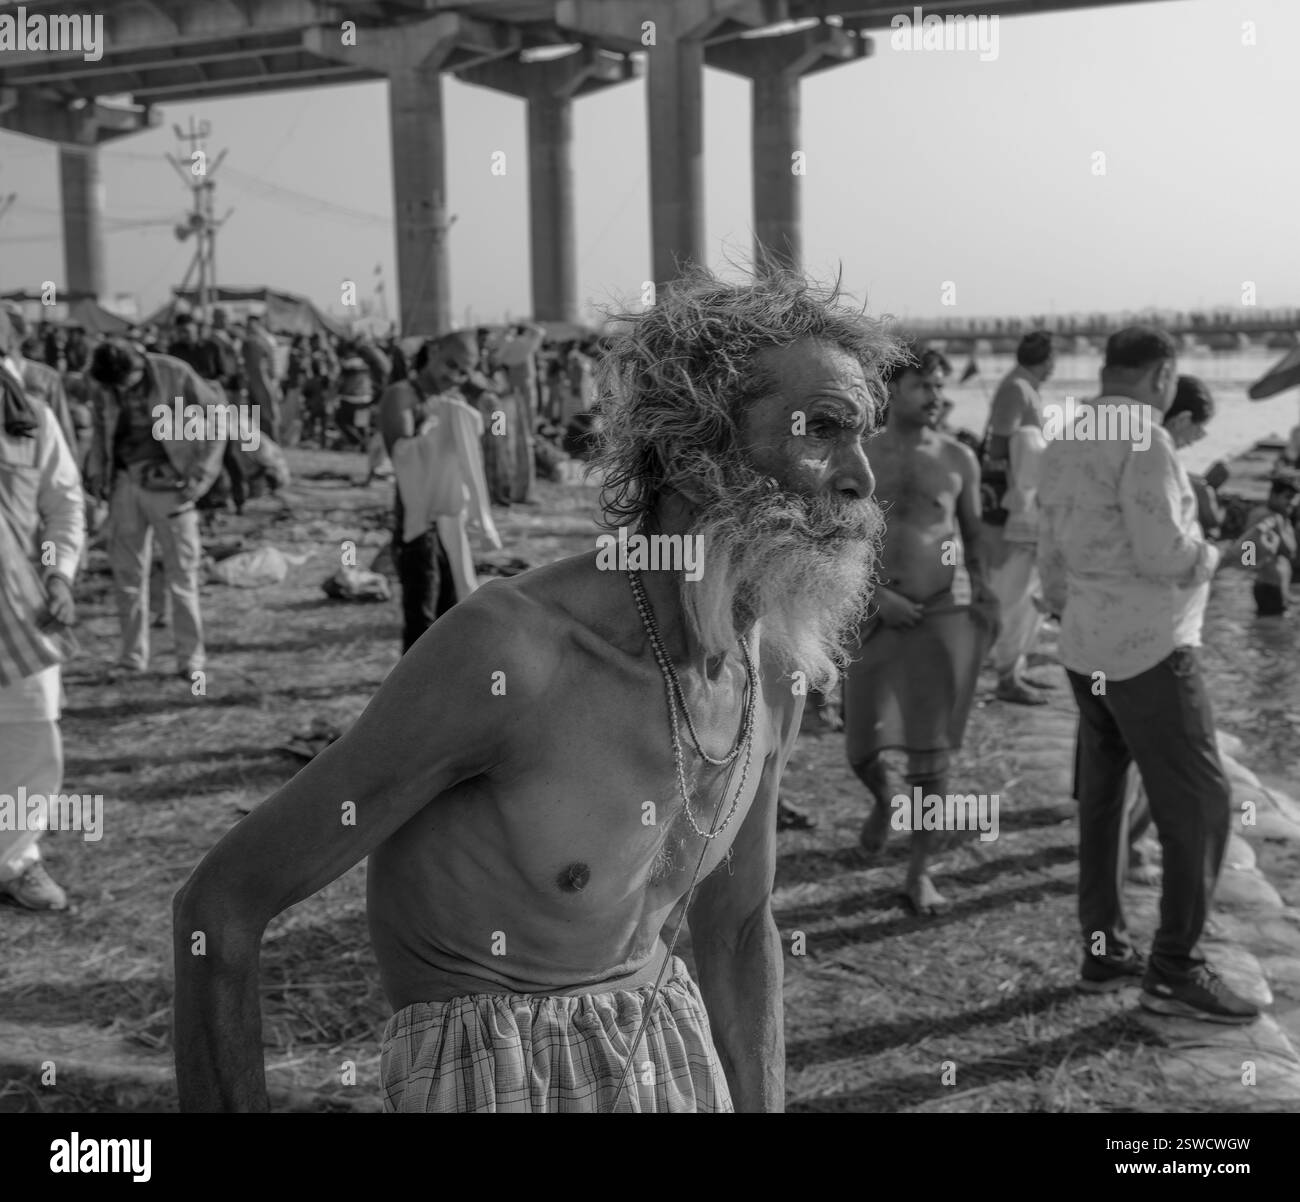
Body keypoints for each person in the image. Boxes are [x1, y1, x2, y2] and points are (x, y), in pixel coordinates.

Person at [173, 265, 901, 1113]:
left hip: (673, 1060)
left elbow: (737, 927)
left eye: (865, 437)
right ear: (695, 454)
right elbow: (218, 906)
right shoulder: (516, 654)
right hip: (496, 1078)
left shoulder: (772, 669)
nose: (862, 479)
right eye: (826, 431)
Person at [1038, 327, 1258, 1023]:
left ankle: (1103, 951)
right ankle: (1174, 967)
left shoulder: (1068, 432)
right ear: (1163, 374)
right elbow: (1166, 552)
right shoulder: (1145, 438)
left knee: (1103, 805)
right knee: (1202, 803)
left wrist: (1069, 611)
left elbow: (1047, 549)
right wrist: (1219, 554)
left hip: (1084, 649)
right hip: (1151, 653)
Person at [846, 344, 1000, 915]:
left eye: (939, 386)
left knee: (930, 755)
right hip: (869, 613)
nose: (937, 396)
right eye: (923, 386)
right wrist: (876, 596)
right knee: (861, 747)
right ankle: (885, 800)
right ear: (890, 392)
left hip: (936, 614)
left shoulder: (960, 458)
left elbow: (973, 531)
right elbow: (835, 535)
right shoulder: (860, 456)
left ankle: (919, 872)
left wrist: (983, 589)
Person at [0, 315, 85, 911]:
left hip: (19, 613)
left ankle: (17, 859)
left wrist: (57, 574)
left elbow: (62, 506)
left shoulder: (28, 420)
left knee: (31, 740)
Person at [85, 339, 224, 678]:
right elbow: (101, 432)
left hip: (170, 488)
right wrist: (95, 477)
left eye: (123, 383)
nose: (119, 390)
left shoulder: (174, 373)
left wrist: (200, 477)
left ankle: (190, 660)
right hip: (124, 485)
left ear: (138, 365)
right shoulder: (105, 385)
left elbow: (219, 418)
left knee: (182, 576)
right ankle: (132, 657)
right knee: (127, 575)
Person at [376, 332, 501, 652]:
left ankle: (445, 686)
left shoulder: (456, 403)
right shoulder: (402, 396)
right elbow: (403, 459)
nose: (454, 375)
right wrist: (438, 426)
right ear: (432, 351)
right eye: (450, 364)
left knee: (451, 610)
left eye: (463, 371)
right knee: (422, 618)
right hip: (418, 522)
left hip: (451, 519)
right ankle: (413, 693)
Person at [981, 331, 1056, 704]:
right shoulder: (1017, 388)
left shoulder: (1025, 386)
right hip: (1014, 508)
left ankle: (1016, 668)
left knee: (1027, 591)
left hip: (1027, 503)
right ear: (1048, 358)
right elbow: (998, 445)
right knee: (1013, 591)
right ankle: (1007, 676)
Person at [241, 314, 281, 442]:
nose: (249, 327)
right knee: (255, 412)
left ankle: (272, 441)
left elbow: (273, 364)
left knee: (268, 413)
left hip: (264, 380)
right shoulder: (247, 340)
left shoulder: (266, 340)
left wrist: (272, 382)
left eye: (251, 325)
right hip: (252, 381)